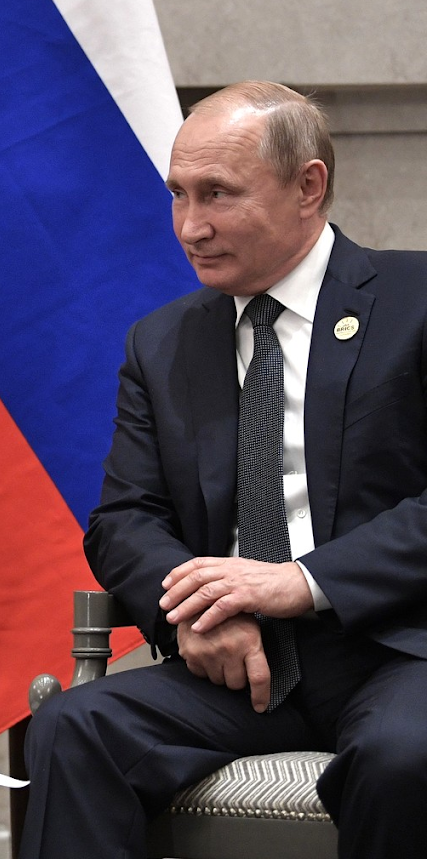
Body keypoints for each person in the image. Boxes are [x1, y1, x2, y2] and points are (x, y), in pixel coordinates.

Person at [22, 80, 427, 858]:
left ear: (308, 186)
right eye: (178, 194)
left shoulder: (413, 301)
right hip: (241, 666)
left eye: (217, 194)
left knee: (404, 758)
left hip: (401, 650)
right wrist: (197, 609)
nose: (190, 226)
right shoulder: (162, 342)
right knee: (75, 727)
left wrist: (301, 581)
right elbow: (124, 518)